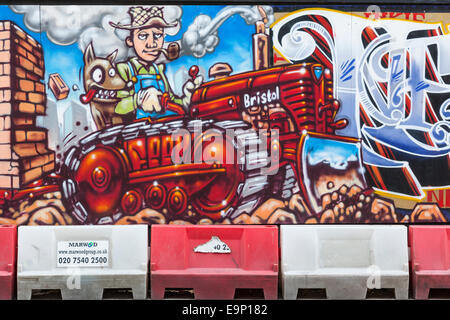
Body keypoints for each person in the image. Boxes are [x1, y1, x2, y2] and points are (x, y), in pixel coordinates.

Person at [110, 6, 202, 119]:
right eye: (143, 36)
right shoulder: (124, 69)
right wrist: (138, 100)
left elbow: (171, 101)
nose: (151, 44)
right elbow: (116, 107)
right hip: (138, 132)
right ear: (130, 40)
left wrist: (188, 99)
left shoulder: (158, 70)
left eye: (157, 35)